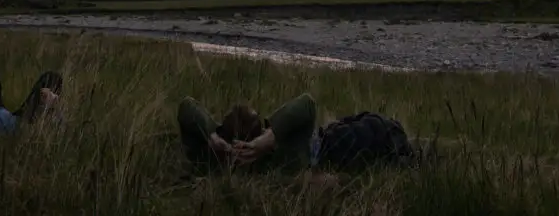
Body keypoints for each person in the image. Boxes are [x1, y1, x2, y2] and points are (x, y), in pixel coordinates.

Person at [177, 93, 417, 175]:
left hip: (348, 131)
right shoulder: (285, 155)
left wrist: (270, 136)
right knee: (407, 152)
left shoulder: (278, 145)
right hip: (364, 139)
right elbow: (187, 106)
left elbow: (308, 103)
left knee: (406, 145)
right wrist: (212, 137)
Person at [177, 93, 318, 172]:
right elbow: (307, 103)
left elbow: (187, 105)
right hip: (321, 144)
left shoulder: (205, 155)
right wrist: (271, 137)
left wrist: (211, 136)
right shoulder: (281, 157)